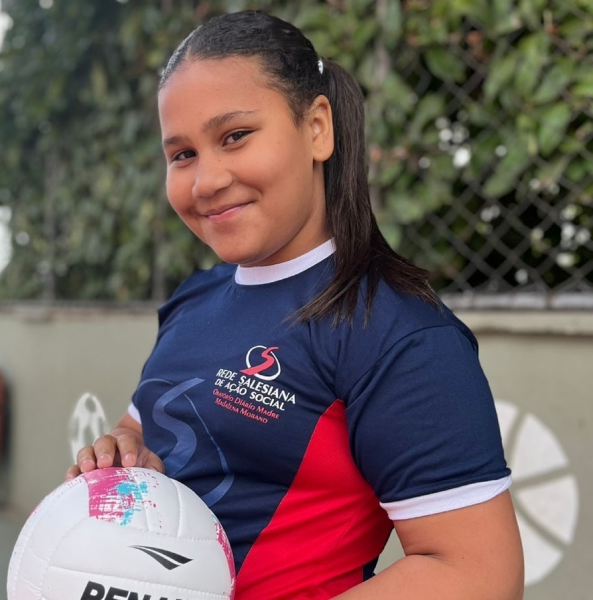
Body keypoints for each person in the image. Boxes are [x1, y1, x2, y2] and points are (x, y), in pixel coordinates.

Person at [66, 10, 524, 599]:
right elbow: (144, 429)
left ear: (317, 129)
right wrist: (121, 449)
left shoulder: (397, 334)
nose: (205, 181)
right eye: (181, 154)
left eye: (235, 136)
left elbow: (480, 574)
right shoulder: (195, 298)